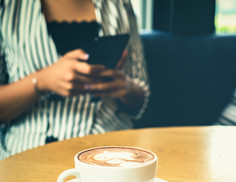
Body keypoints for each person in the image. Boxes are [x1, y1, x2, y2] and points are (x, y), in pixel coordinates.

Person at [0, 0, 150, 160]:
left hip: (110, 144)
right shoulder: (8, 6)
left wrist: (124, 87)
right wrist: (41, 81)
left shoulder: (120, 4)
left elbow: (141, 98)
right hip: (28, 148)